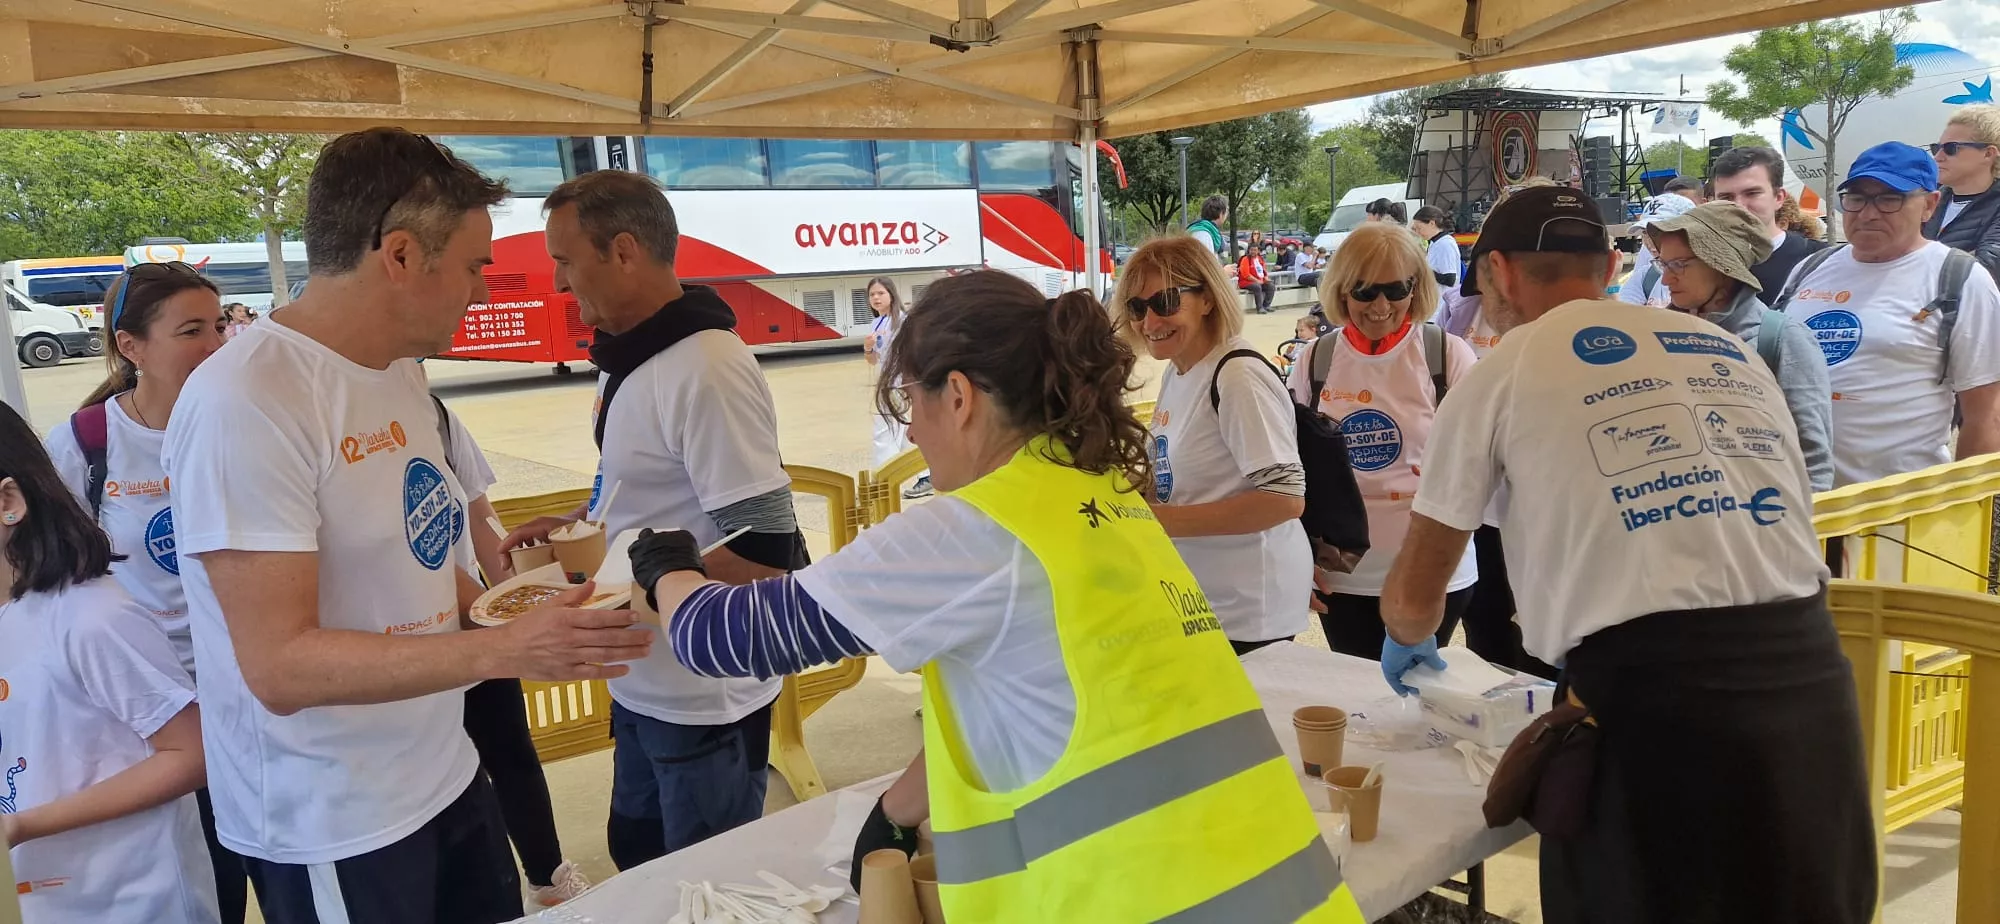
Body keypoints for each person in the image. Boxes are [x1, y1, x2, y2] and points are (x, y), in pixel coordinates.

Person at [629, 269, 1366, 923]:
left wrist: (665, 558)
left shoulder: (970, 530)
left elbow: (723, 639)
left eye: (908, 403)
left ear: (957, 395)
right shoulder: (1105, 496)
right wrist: (896, 810)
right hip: (1281, 889)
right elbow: (1040, 702)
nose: (911, 428)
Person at [161, 128, 654, 924]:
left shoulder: (397, 372)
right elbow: (279, 667)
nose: (483, 292)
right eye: (471, 266)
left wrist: (531, 613)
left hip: (447, 773)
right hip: (338, 819)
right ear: (398, 255)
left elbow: (418, 559)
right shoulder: (246, 403)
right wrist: (503, 649)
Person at [1378, 184, 1874, 924]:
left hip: (1654, 711)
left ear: (1501, 275)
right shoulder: (1725, 347)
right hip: (1813, 689)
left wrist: (1407, 636)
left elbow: (1419, 590)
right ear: (1611, 264)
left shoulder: (1505, 371)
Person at [499, 169, 809, 869]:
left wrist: (615, 600)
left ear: (625, 252)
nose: (556, 282)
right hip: (644, 677)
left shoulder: (704, 366)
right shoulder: (630, 356)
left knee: (704, 883)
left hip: (705, 695)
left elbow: (767, 548)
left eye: (564, 260)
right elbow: (646, 492)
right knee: (636, 852)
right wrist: (577, 521)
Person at [40, 262, 247, 923]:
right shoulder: (85, 443)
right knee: (201, 881)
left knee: (279, 871)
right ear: (131, 346)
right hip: (152, 715)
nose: (214, 344)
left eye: (218, 325)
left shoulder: (246, 427)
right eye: (191, 330)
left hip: (252, 692)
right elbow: (53, 576)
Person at [1, 401, 218, 924]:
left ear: (8, 501)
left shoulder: (91, 616)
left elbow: (193, 754)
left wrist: (21, 826)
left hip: (133, 900)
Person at [430, 395, 595, 909]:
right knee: (443, 781)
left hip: (475, 626)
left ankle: (549, 880)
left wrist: (512, 605)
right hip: (408, 647)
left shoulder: (434, 414)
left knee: (513, 755)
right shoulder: (340, 421)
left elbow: (481, 521)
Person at [1115, 236, 1310, 655]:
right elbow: (1175, 476)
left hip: (1248, 608)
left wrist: (1156, 521)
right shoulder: (1180, 372)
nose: (1149, 321)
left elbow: (1284, 498)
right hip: (1205, 598)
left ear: (1206, 299)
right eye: (1136, 307)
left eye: (1166, 301)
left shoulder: (1236, 376)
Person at [1290, 223, 1477, 659]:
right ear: (1341, 291)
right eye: (1364, 290)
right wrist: (1296, 564)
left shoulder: (1447, 356)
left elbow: (1486, 465)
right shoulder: (1315, 359)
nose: (1380, 305)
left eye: (1395, 290)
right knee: (1360, 702)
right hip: (1344, 573)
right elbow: (1291, 470)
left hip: (1433, 572)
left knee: (1418, 701)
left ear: (1416, 289)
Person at [1770, 141, 2000, 487]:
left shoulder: (1960, 278)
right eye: (1857, 198)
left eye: (1889, 199)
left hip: (1895, 513)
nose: (1868, 213)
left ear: (1929, 205)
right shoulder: (1812, 267)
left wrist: (1959, 514)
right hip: (1797, 502)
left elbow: (1985, 417)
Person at [1642, 202, 1835, 491]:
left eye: (1679, 265)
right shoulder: (1660, 336)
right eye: (1664, 264)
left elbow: (1814, 463)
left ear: (1720, 266)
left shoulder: (1783, 339)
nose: (1667, 278)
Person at [1620, 146, 1830, 309]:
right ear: (1711, 201)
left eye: (1752, 193)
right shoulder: (1696, 263)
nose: (1738, 206)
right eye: (1726, 197)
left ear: (1779, 197)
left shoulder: (1818, 262)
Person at [1925, 104, 2000, 279]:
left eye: (1951, 148)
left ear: (1988, 154)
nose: (1937, 157)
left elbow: (1985, 271)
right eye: (1937, 148)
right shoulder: (1926, 197)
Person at [1620, 187, 1699, 306]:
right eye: (1645, 233)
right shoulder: (1646, 277)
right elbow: (1620, 316)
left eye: (1658, 233)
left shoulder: (1708, 281)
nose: (1650, 242)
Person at [1410, 206, 1460, 311]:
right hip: (1434, 306)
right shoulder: (1435, 243)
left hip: (1441, 307)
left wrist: (1423, 270)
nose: (1418, 232)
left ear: (1432, 223)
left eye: (1419, 228)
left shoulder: (1445, 243)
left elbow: (1449, 279)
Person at [1239, 239, 1275, 314]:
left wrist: (1266, 278)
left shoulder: (1260, 259)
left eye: (1255, 250)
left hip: (1259, 280)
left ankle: (1266, 305)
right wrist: (1257, 280)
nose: (1253, 252)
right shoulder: (1245, 259)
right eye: (1251, 250)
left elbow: (1263, 271)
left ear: (1258, 251)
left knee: (1271, 286)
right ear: (1249, 250)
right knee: (1257, 286)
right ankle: (1259, 308)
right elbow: (1246, 275)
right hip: (1246, 282)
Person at [1188, 195, 1229, 261]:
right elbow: (1203, 266)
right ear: (1221, 214)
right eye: (1226, 212)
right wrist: (1225, 271)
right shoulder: (1203, 235)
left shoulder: (1204, 230)